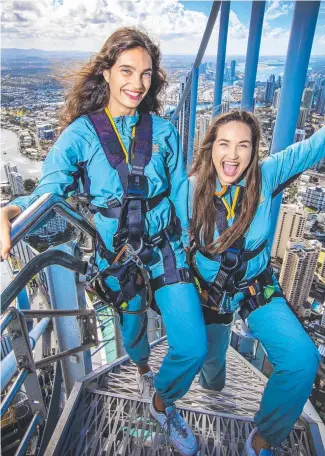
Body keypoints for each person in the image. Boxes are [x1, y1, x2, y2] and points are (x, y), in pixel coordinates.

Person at [0, 27, 207, 456]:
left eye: (146, 74)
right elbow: (50, 193)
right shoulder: (81, 135)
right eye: (126, 71)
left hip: (166, 249)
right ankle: (146, 368)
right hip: (121, 258)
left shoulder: (165, 132)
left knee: (192, 345)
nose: (136, 84)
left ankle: (161, 403)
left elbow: (180, 195)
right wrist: (12, 211)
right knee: (133, 337)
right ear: (107, 73)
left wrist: (191, 246)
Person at [189, 110, 324, 455]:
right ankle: (211, 389)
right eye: (224, 144)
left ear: (254, 151)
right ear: (211, 147)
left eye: (243, 145)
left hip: (255, 290)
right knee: (213, 371)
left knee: (302, 359)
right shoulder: (190, 191)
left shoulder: (266, 176)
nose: (232, 155)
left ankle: (261, 440)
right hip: (210, 297)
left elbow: (313, 147)